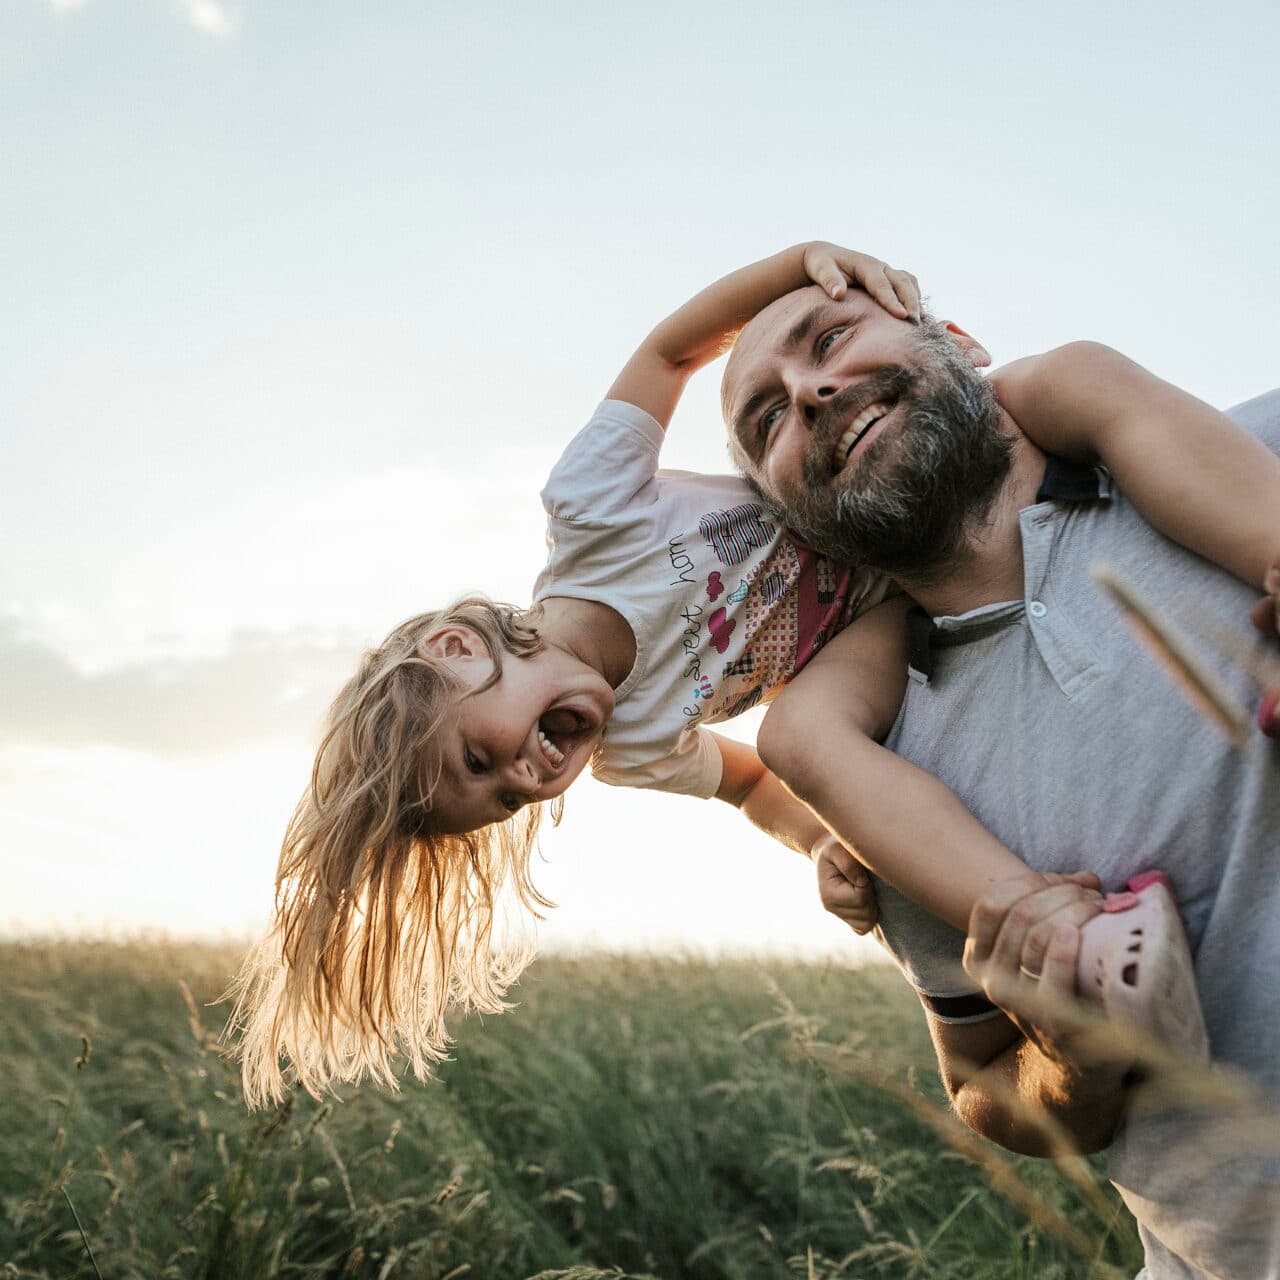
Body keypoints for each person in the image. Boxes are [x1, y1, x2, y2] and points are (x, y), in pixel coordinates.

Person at [232, 242, 1270, 1126]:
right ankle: (1061, 943)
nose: (531, 772)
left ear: (459, 650)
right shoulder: (650, 747)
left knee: (1070, 372)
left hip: (915, 530)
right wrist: (827, 841)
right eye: (505, 797)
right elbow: (747, 782)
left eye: (480, 755)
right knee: (797, 740)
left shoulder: (591, 513)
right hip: (866, 612)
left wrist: (791, 262)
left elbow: (667, 350)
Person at [722, 282, 1280, 1277]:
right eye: (767, 417)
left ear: (959, 340)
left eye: (830, 339)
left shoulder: (1250, 455)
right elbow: (982, 1085)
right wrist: (1071, 1057)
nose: (807, 392)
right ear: (790, 518)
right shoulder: (880, 786)